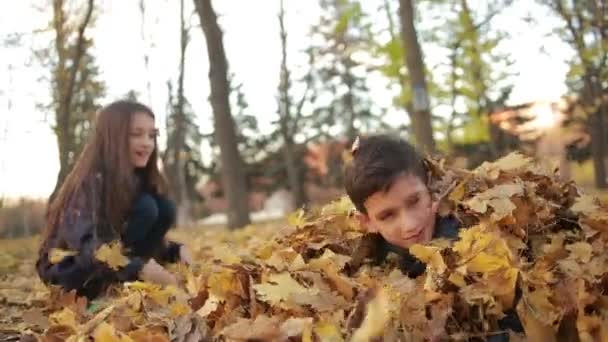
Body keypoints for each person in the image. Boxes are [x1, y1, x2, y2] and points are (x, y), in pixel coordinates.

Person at [343, 134, 522, 340]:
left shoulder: (475, 248)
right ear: (367, 222)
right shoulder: (371, 267)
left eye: (414, 201)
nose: (409, 224)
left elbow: (509, 327)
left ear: (431, 188)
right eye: (387, 215)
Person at [37, 100, 191, 299]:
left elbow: (127, 235)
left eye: (152, 135)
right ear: (113, 137)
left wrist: (175, 251)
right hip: (67, 271)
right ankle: (113, 285)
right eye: (136, 134)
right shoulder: (88, 183)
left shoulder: (135, 181)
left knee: (162, 207)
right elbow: (90, 248)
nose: (147, 142)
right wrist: (138, 268)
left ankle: (125, 281)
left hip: (106, 264)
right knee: (147, 208)